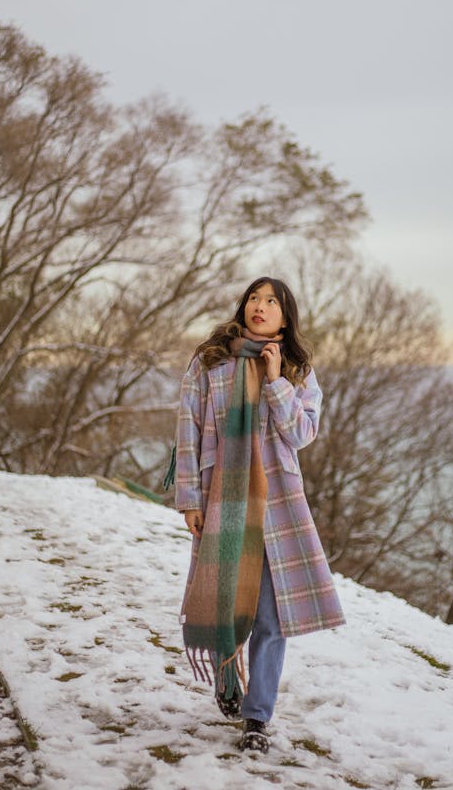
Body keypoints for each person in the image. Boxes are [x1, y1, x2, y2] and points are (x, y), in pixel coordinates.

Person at [174, 276, 345, 753]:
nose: (260, 306)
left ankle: (257, 716)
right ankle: (228, 684)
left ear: (286, 317)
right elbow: (187, 429)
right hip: (222, 500)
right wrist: (189, 498)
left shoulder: (297, 371)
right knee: (225, 602)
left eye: (271, 301)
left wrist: (274, 382)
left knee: (272, 617)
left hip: (278, 504)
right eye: (254, 297)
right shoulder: (210, 361)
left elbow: (301, 434)